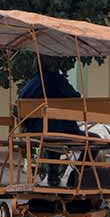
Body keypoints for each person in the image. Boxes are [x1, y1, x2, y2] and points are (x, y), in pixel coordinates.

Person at [18, 56, 83, 187]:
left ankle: (53, 175)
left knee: (50, 138)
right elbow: (76, 99)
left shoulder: (31, 84)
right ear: (53, 66)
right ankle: (76, 176)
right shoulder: (58, 81)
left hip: (36, 131)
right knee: (94, 139)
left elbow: (21, 99)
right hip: (62, 130)